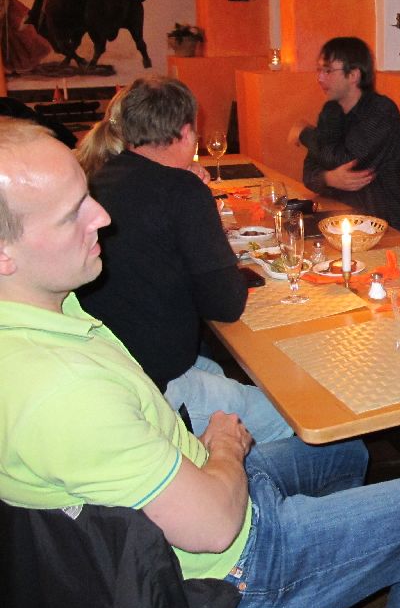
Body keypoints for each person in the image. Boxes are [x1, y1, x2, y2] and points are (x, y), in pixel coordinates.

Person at [0, 117, 400, 608]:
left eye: (87, 196)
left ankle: (339, 577)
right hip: (226, 580)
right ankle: (304, 584)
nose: (102, 216)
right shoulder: (60, 390)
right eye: (72, 213)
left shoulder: (49, 314)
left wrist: (210, 453)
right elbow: (214, 526)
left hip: (189, 499)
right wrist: (222, 448)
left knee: (342, 452)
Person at [76, 77, 291, 442]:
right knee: (294, 418)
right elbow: (225, 304)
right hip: (154, 385)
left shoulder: (98, 178)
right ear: (188, 132)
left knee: (226, 375)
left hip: (111, 363)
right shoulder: (182, 191)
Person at [295, 36, 400, 233]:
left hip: (380, 224)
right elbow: (309, 172)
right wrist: (328, 178)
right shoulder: (331, 110)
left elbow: (346, 159)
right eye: (319, 70)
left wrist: (304, 134)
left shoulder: (381, 111)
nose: (320, 78)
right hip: (336, 217)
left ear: (354, 75)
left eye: (328, 70)